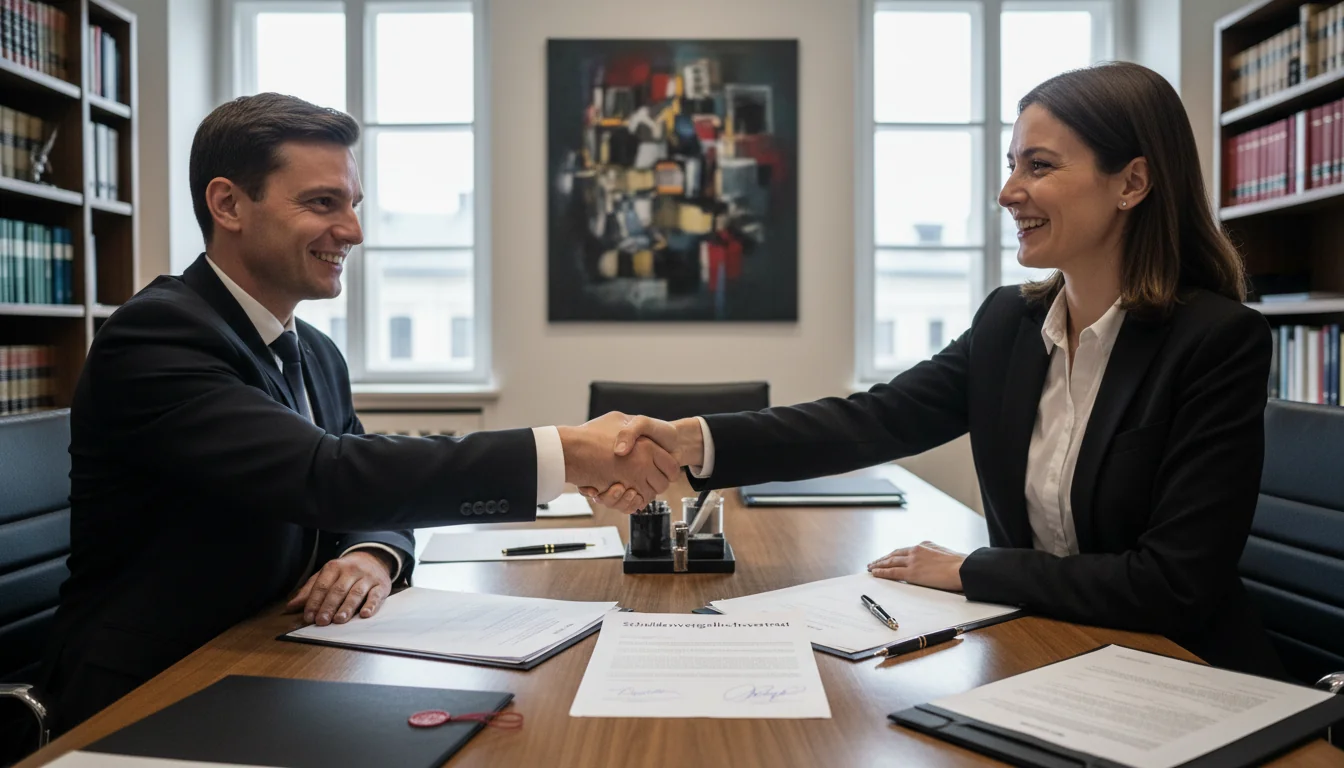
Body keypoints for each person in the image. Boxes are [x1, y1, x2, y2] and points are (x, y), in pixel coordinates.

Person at [597, 62, 1282, 678]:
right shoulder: (1008, 326)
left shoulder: (1218, 342)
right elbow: (872, 421)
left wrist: (969, 570)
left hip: (1177, 669)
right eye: (1013, 165)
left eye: (1039, 166)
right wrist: (691, 441)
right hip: (1047, 652)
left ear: (1131, 182)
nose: (1009, 191)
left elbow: (1174, 584)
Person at [37, 93, 677, 736]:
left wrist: (373, 555)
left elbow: (369, 491)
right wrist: (562, 451)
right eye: (322, 203)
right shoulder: (156, 336)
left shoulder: (312, 350)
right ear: (228, 204)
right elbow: (328, 474)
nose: (354, 231)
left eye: (353, 204)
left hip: (276, 658)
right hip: (155, 687)